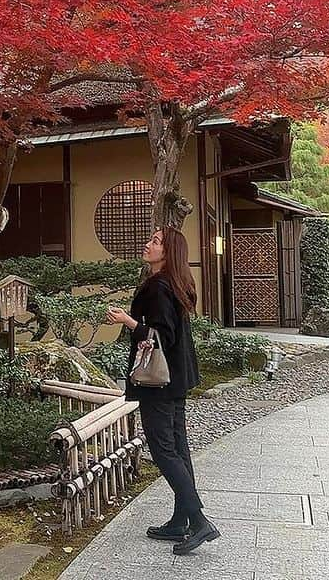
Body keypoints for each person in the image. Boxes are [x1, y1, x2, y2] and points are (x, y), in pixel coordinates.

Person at [106, 227, 221, 556]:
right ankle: (179, 520)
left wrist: (128, 321)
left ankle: (198, 521)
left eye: (155, 242)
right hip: (177, 377)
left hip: (159, 382)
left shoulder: (158, 286)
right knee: (178, 449)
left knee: (163, 451)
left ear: (167, 252)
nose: (148, 244)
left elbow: (161, 336)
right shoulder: (176, 282)